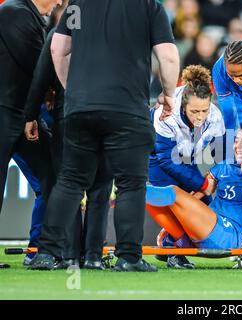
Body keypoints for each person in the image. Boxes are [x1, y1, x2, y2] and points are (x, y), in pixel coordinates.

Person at [29, 0, 180, 272]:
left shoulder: (78, 5)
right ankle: (128, 257)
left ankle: (47, 253)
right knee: (130, 184)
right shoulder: (149, 6)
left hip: (80, 109)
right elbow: (168, 55)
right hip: (127, 110)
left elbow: (58, 48)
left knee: (70, 181)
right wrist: (168, 94)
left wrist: (71, 90)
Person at [23, 3, 113, 270]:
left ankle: (70, 254)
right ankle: (94, 257)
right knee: (100, 189)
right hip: (109, 118)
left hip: (70, 119)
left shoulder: (58, 37)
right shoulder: (114, 39)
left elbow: (40, 79)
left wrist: (30, 116)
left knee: (71, 186)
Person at [146, 126, 242, 266]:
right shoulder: (225, 166)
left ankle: (131, 192)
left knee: (171, 192)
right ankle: (179, 241)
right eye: (236, 141)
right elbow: (201, 192)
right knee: (153, 199)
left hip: (227, 236)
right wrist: (176, 220)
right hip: (206, 226)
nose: (238, 146)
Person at [0, 0, 62, 269]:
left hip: (24, 115)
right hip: (3, 110)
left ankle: (43, 250)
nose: (60, 2)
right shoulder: (13, 12)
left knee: (55, 173)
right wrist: (56, 88)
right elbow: (37, 63)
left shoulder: (32, 17)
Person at [149, 64, 225, 268]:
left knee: (202, 207)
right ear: (183, 106)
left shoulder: (215, 117)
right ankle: (176, 252)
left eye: (204, 110)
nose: (200, 117)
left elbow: (221, 154)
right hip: (156, 157)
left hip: (184, 158)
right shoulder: (166, 113)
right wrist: (201, 185)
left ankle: (168, 244)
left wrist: (212, 179)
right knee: (172, 199)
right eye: (194, 111)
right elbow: (166, 159)